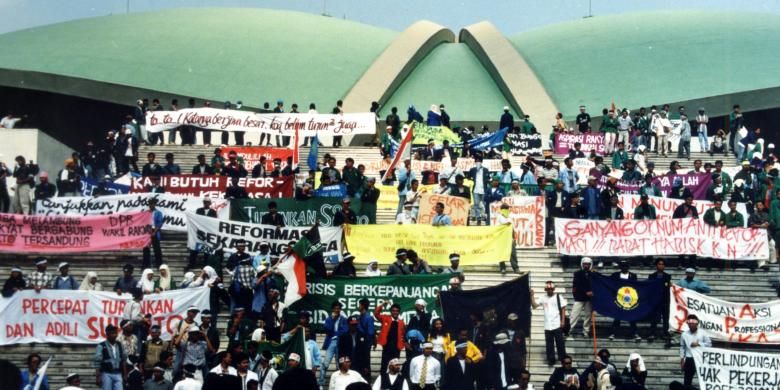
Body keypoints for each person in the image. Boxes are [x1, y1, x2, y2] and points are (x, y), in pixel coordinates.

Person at [531, 281, 567, 365]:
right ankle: (551, 359)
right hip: (547, 325)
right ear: (546, 290)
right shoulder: (543, 298)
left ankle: (562, 358)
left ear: (553, 289)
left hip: (557, 323)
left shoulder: (558, 297)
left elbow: (563, 308)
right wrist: (532, 296)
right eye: (548, 289)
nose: (550, 290)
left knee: (560, 342)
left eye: (551, 289)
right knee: (549, 344)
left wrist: (563, 321)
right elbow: (535, 306)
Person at [609, 261, 641, 341]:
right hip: (618, 299)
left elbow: (635, 287)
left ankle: (635, 333)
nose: (624, 267)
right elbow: (609, 283)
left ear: (628, 266)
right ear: (620, 267)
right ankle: (613, 333)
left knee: (631, 316)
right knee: (617, 317)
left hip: (629, 299)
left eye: (626, 266)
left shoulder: (633, 276)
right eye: (623, 266)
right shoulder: (615, 275)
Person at [321, 301, 348, 385]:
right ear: (332, 309)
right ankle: (321, 382)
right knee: (325, 362)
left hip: (340, 342)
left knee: (338, 363)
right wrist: (333, 320)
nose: (337, 310)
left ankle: (337, 382)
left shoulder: (343, 319)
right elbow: (327, 329)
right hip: (331, 342)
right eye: (335, 308)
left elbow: (345, 330)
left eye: (338, 308)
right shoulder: (329, 319)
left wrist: (335, 334)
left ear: (340, 309)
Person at [375, 301, 407, 374]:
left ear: (399, 312)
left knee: (395, 365)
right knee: (384, 364)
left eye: (397, 311)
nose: (395, 312)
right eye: (393, 311)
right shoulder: (385, 318)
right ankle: (383, 380)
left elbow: (404, 334)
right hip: (387, 346)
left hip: (397, 347)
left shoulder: (401, 322)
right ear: (391, 311)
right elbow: (376, 314)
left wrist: (404, 343)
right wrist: (383, 304)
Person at [680, 314, 711, 387]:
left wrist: (699, 344)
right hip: (689, 358)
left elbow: (709, 344)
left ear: (697, 323)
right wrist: (682, 359)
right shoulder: (684, 334)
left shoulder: (703, 333)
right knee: (687, 380)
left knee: (703, 379)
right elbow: (682, 347)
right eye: (689, 323)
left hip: (700, 358)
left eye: (693, 323)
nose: (691, 325)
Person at [94, 324, 127, 390]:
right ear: (107, 334)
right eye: (112, 333)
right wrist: (98, 377)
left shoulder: (120, 345)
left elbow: (124, 360)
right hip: (106, 374)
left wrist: (125, 374)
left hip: (118, 373)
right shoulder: (101, 346)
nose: (114, 335)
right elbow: (97, 362)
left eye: (115, 333)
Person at [569, 257, 593, 339]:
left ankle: (586, 332)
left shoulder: (593, 274)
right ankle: (568, 329)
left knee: (588, 316)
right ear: (582, 264)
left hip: (589, 299)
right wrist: (587, 291)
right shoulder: (577, 273)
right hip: (579, 297)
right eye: (585, 264)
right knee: (574, 315)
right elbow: (578, 285)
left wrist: (592, 293)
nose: (586, 265)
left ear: (590, 265)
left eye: (588, 264)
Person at [142, 198, 164, 268]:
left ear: (155, 204)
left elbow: (159, 223)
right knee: (146, 249)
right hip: (147, 232)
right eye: (150, 204)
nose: (151, 205)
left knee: (157, 249)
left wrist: (154, 232)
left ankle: (159, 264)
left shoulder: (158, 213)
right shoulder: (145, 212)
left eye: (152, 203)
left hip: (155, 231)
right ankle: (146, 265)